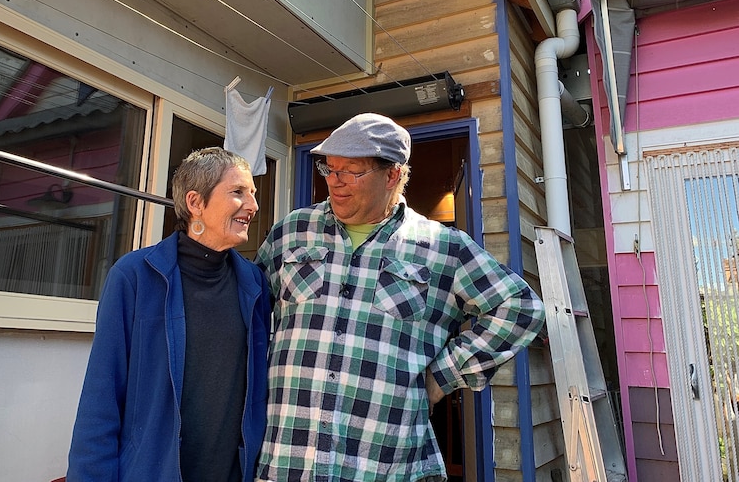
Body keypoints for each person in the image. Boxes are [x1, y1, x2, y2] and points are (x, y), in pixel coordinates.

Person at [254, 113, 546, 482]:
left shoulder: (442, 248)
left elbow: (520, 308)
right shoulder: (291, 232)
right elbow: (248, 313)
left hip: (384, 465)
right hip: (286, 463)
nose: (335, 183)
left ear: (392, 175)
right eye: (329, 169)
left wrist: (444, 376)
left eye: (351, 172)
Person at [66, 147, 270, 482]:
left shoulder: (255, 285)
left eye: (253, 193)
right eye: (238, 192)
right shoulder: (134, 276)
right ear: (195, 203)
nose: (252, 205)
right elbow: (101, 397)